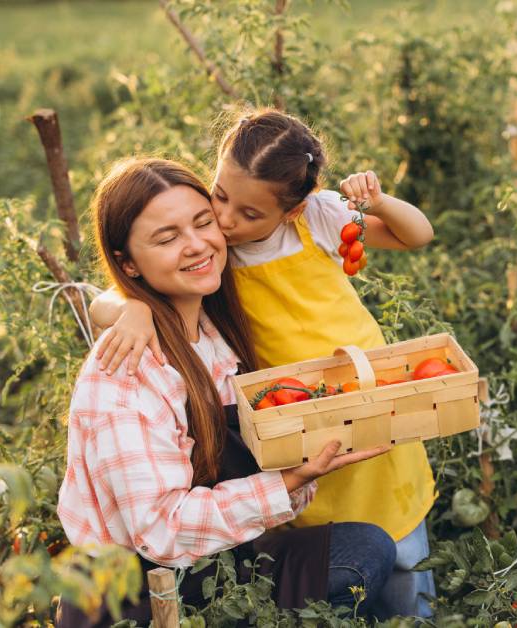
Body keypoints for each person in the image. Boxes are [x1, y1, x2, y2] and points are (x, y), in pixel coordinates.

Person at [88, 109, 438, 619]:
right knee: (320, 509)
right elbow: (104, 302)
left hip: (366, 386)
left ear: (292, 211)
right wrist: (136, 309)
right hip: (294, 411)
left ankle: (412, 612)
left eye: (250, 215)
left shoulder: (319, 218)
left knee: (399, 525)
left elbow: (416, 234)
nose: (227, 220)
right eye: (220, 196)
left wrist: (379, 201)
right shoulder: (210, 252)